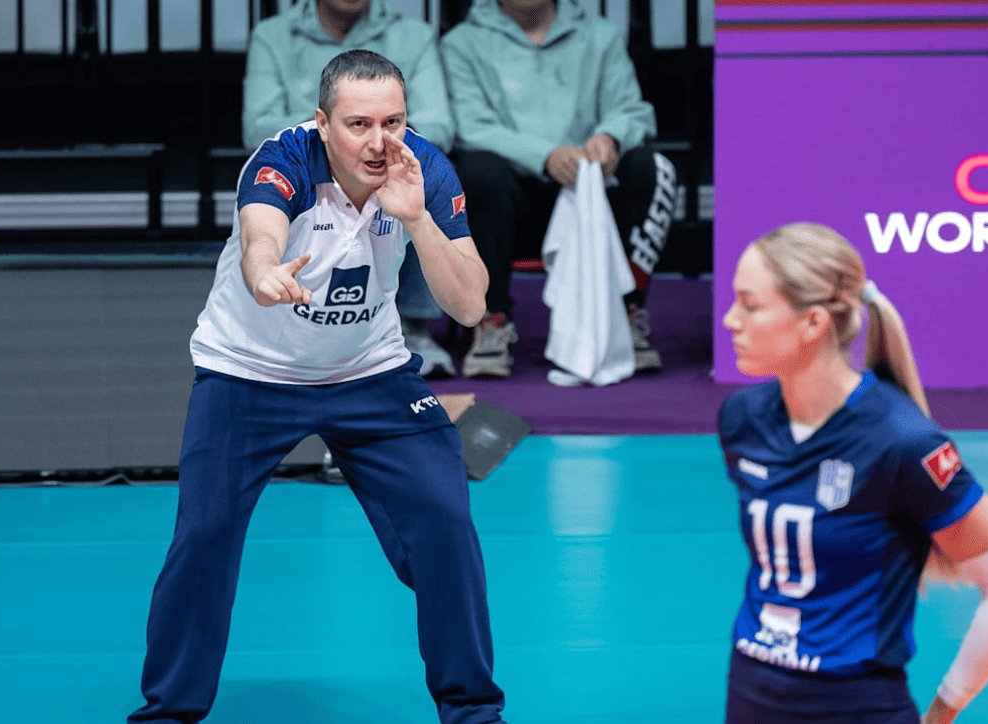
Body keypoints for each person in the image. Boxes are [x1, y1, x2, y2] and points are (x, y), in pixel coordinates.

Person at [128, 50, 506, 724]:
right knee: (204, 536)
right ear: (322, 123)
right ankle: (169, 713)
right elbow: (259, 234)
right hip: (249, 372)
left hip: (370, 371)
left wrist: (417, 218)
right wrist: (266, 270)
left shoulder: (422, 168)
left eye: (392, 121)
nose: (378, 140)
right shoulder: (283, 160)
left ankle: (474, 711)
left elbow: (471, 306)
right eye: (358, 123)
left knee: (446, 523)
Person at [718, 223, 988, 724]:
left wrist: (942, 712)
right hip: (751, 696)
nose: (729, 320)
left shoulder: (903, 442)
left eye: (750, 304)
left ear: (812, 323)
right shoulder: (742, 421)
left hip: (855, 706)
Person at [440, 0, 677, 378]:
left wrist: (609, 137)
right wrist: (546, 156)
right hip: (512, 201)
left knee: (650, 166)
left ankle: (626, 312)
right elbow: (470, 125)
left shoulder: (599, 34)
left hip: (590, 192)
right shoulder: (462, 43)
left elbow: (631, 110)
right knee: (475, 172)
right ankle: (491, 319)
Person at [243, 0, 459, 377]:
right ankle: (292, 323)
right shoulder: (273, 36)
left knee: (415, 178)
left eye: (391, 117)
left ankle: (414, 326)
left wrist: (377, 141)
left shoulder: (414, 36)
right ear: (323, 122)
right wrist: (341, 141)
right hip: (305, 165)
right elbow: (256, 128)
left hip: (391, 164)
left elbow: (437, 126)